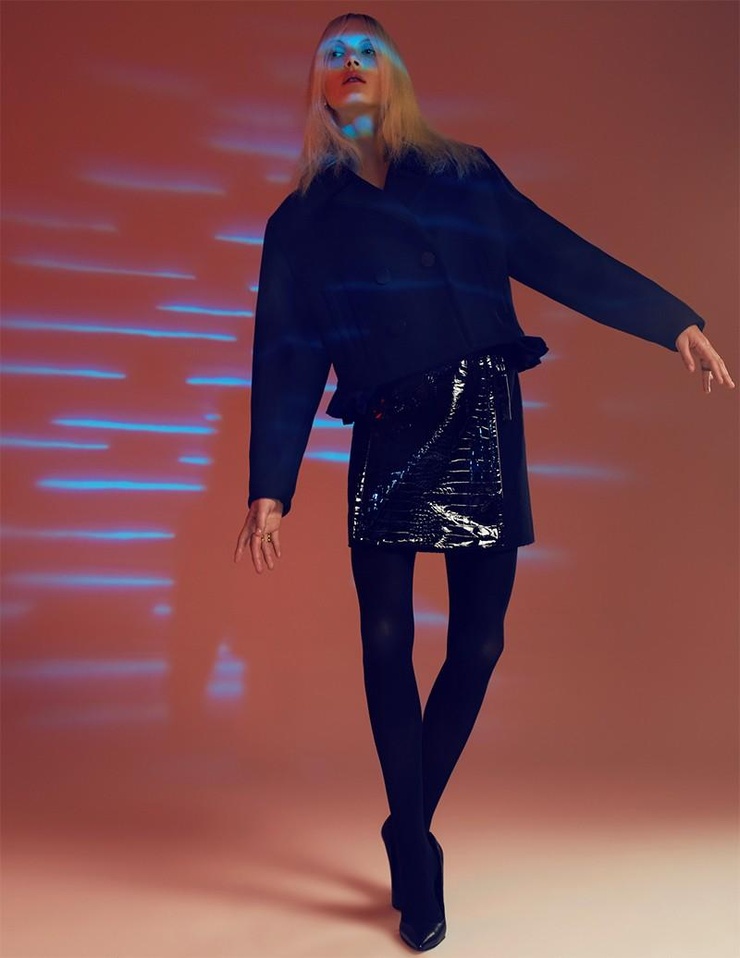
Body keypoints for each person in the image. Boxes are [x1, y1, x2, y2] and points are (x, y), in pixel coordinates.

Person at [234, 11, 734, 952]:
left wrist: (672, 319)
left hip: (479, 420)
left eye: (366, 51)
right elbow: (287, 354)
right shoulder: (300, 222)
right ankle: (418, 854)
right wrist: (271, 484)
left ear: (393, 76)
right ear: (318, 87)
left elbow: (559, 254)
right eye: (333, 55)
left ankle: (405, 825)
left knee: (480, 642)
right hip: (387, 428)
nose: (349, 64)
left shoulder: (464, 173)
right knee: (385, 641)